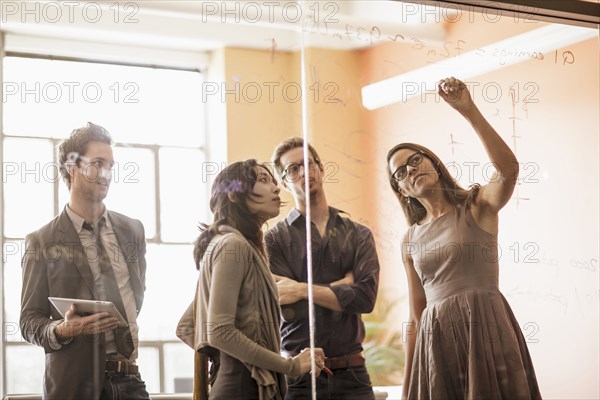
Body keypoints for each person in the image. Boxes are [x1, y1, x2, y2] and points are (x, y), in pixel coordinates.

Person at [388, 77, 542, 399]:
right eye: (400, 172)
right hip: (436, 343)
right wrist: (406, 389)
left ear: (433, 162)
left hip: (485, 329)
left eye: (415, 160)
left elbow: (509, 170)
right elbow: (416, 315)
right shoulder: (409, 239)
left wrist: (469, 111)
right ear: (401, 190)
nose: (410, 170)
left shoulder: (477, 205)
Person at [20, 122, 149, 399]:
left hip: (130, 381)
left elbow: (136, 296)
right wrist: (63, 329)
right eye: (98, 163)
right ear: (72, 167)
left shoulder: (133, 231)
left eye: (111, 165)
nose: (107, 174)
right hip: (72, 387)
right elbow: (29, 321)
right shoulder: (41, 241)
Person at [176, 159, 324, 400]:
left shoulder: (233, 245)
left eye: (274, 182)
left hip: (237, 386)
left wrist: (232, 361)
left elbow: (186, 326)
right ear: (234, 195)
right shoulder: (233, 246)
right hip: (241, 390)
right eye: (264, 181)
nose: (276, 188)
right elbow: (219, 332)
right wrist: (290, 366)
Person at [266, 138, 380, 400]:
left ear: (321, 168)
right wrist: (341, 287)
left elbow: (364, 298)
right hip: (299, 376)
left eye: (309, 163)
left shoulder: (358, 234)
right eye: (293, 169)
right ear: (284, 183)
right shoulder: (274, 239)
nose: (304, 172)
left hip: (353, 374)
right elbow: (283, 301)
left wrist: (300, 289)